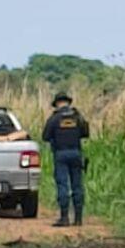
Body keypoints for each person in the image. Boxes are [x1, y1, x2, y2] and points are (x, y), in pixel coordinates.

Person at [42, 92, 90, 227]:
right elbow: (85, 133)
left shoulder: (54, 118)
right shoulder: (77, 117)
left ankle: (64, 218)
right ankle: (78, 218)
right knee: (77, 186)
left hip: (61, 154)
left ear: (57, 103)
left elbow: (45, 136)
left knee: (63, 185)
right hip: (76, 153)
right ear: (68, 102)